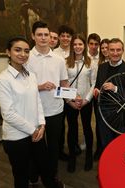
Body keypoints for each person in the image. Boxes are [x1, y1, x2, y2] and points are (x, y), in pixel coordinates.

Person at [0, 36, 56, 188]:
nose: (23, 54)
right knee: (21, 175)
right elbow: (8, 114)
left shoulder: (31, 76)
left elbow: (37, 101)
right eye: (18, 50)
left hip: (37, 133)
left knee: (45, 168)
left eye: (26, 51)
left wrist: (42, 124)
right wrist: (33, 129)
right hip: (16, 137)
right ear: (8, 52)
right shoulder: (2, 80)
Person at [26, 21, 70, 187]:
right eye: (39, 34)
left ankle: (51, 177)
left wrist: (73, 98)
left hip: (55, 110)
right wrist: (40, 86)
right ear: (33, 36)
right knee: (36, 146)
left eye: (46, 34)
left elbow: (64, 83)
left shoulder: (58, 60)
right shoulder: (26, 58)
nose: (43, 38)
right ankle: (34, 177)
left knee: (53, 147)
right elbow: (20, 87)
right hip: (33, 111)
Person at [94, 38, 125, 151]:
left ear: (123, 51)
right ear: (107, 51)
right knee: (105, 144)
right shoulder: (102, 67)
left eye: (118, 50)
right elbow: (98, 85)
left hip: (120, 114)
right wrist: (97, 90)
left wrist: (115, 88)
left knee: (120, 145)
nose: (115, 53)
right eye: (112, 50)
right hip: (103, 113)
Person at [65, 34, 96, 172]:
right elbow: (63, 82)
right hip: (71, 102)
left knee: (87, 127)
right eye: (75, 44)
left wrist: (86, 100)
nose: (77, 47)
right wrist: (70, 100)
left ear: (84, 46)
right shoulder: (65, 62)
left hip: (85, 101)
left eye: (80, 44)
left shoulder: (91, 62)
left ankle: (88, 155)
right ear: (72, 46)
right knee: (72, 129)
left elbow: (94, 83)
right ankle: (72, 156)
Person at [53, 24, 76, 160]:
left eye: (68, 36)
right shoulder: (53, 53)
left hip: (71, 92)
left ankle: (73, 148)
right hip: (57, 94)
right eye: (63, 35)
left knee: (72, 124)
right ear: (59, 37)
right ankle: (59, 150)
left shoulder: (75, 52)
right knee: (59, 126)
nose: (66, 38)